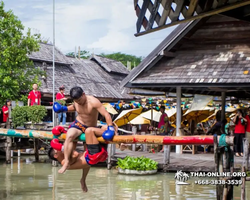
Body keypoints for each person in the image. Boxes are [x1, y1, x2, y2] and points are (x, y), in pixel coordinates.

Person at [53, 86, 115, 174]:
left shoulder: (93, 101)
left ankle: (83, 179)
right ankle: (66, 162)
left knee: (87, 155)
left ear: (83, 94)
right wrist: (64, 109)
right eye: (76, 101)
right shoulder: (76, 101)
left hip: (89, 128)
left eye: (79, 100)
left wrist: (110, 127)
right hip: (78, 124)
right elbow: (74, 107)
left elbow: (106, 114)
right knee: (69, 136)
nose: (78, 102)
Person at [48, 125, 112, 193]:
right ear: (56, 155)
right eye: (57, 149)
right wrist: (63, 148)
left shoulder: (68, 158)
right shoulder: (64, 162)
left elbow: (86, 165)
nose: (59, 149)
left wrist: (83, 179)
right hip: (93, 155)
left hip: (93, 157)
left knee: (104, 128)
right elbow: (76, 154)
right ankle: (120, 142)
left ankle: (120, 141)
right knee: (89, 131)